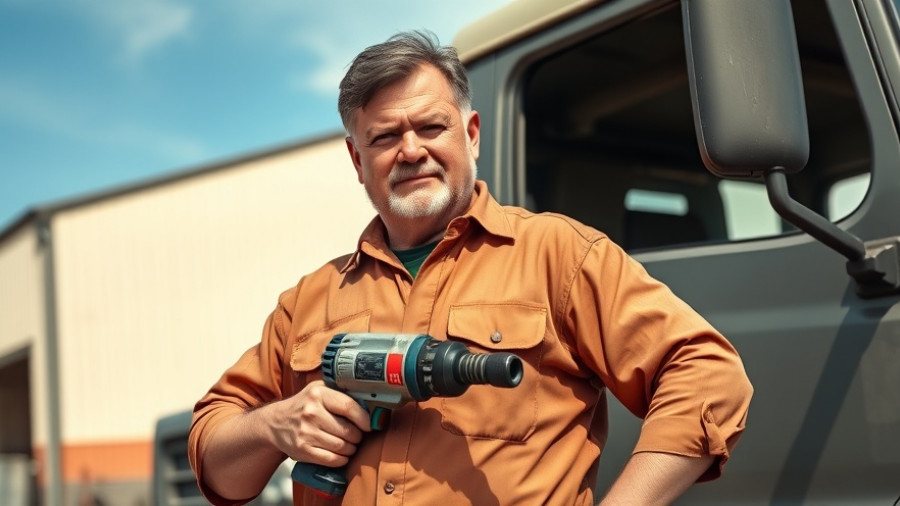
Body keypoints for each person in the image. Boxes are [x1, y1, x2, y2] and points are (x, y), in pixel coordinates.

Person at [188, 30, 752, 505]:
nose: (410, 150)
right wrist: (275, 424)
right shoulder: (310, 300)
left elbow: (708, 376)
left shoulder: (557, 255)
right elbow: (216, 457)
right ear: (358, 161)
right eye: (384, 136)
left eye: (431, 127)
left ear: (471, 135)